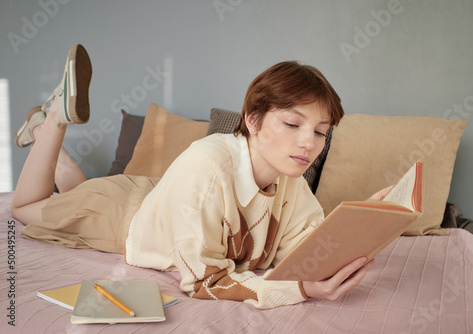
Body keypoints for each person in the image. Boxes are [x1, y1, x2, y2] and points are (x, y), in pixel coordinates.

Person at [12, 44, 390, 309]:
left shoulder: (290, 178)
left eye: (322, 131)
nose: (309, 142)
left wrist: (357, 228)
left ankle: (42, 129)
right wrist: (300, 291)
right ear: (253, 119)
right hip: (121, 216)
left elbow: (305, 251)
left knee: (76, 194)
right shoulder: (208, 166)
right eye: (292, 123)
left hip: (164, 199)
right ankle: (54, 119)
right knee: (26, 207)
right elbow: (204, 281)